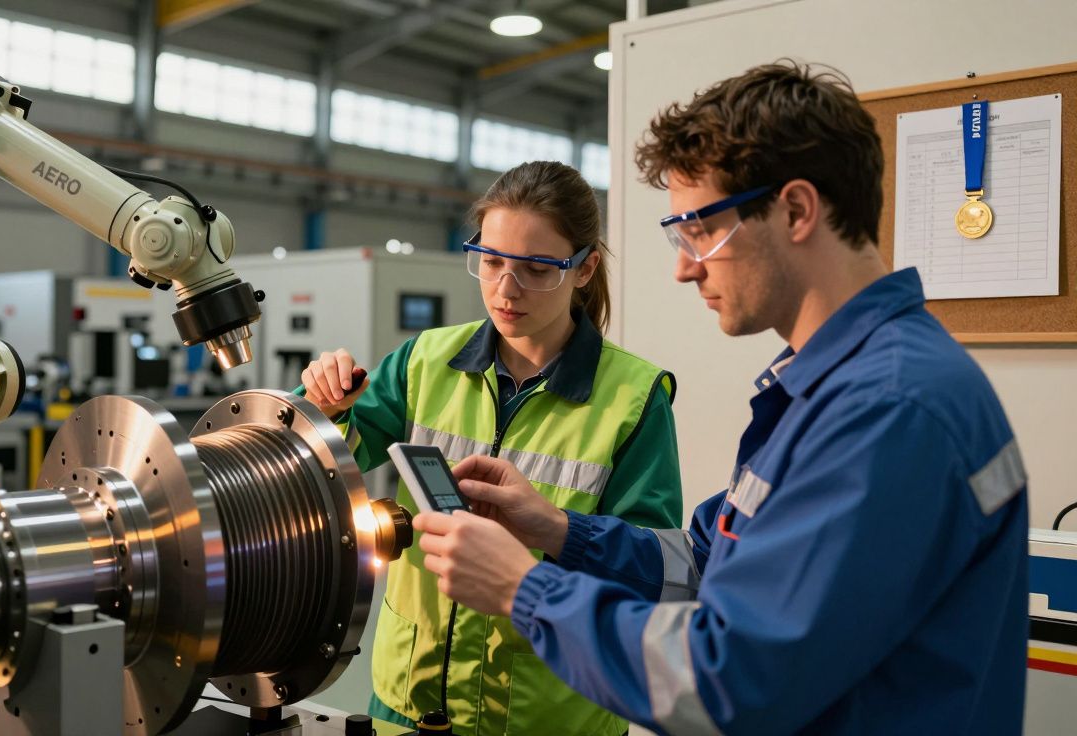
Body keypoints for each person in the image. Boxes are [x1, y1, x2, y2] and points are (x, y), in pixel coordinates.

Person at [413, 62, 1028, 734]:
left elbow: (733, 680)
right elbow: (705, 562)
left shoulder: (888, 409)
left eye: (701, 230)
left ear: (795, 210)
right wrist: (559, 532)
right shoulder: (820, 387)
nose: (683, 266)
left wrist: (524, 590)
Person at [299, 161, 683, 735]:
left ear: (585, 269)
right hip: (409, 699)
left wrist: (551, 532)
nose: (506, 289)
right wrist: (321, 404)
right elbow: (326, 460)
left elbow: (649, 568)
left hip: (547, 713)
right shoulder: (425, 361)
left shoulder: (632, 398)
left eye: (536, 268)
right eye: (492, 261)